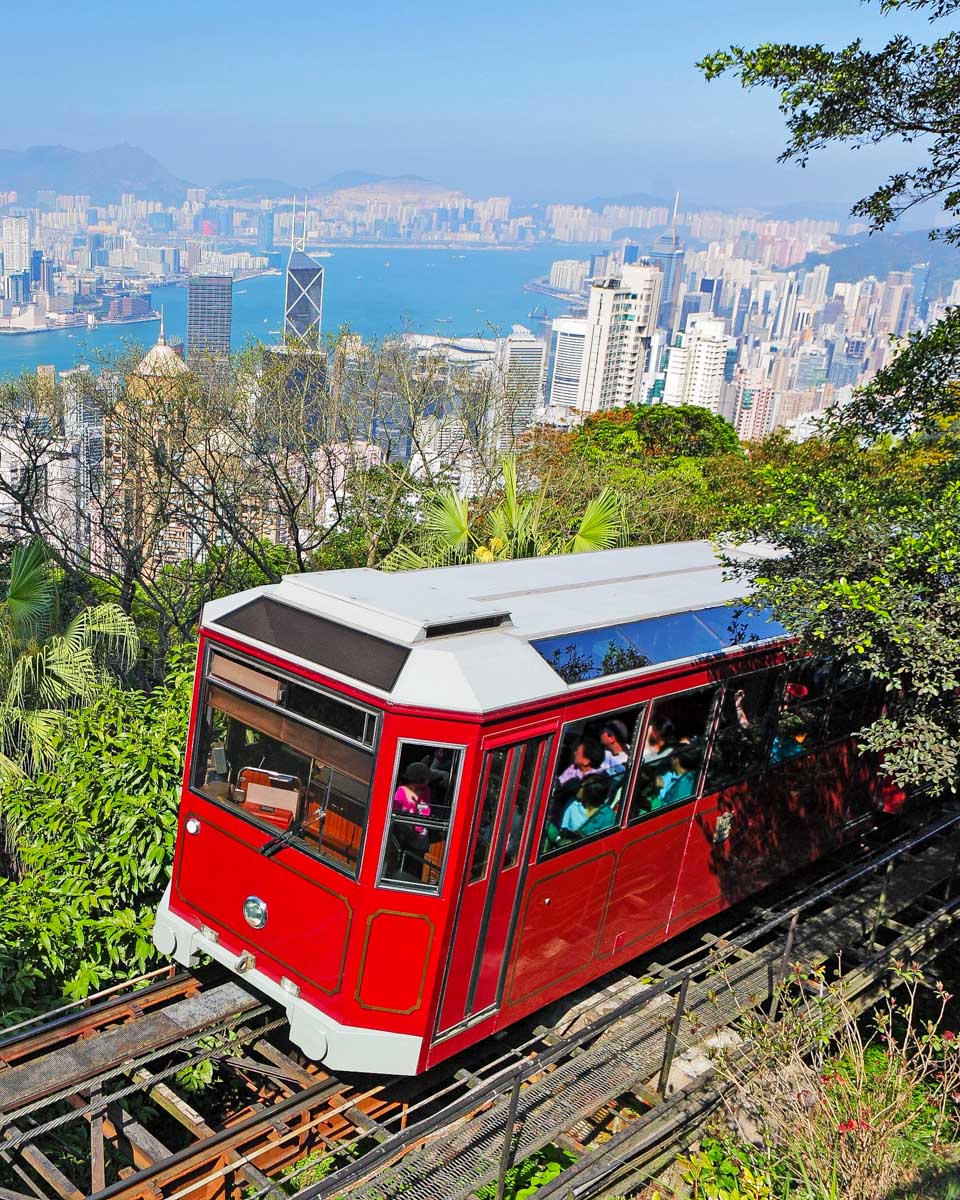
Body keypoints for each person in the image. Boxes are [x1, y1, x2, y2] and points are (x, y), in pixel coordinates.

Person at [392, 761, 432, 855]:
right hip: (402, 831)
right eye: (424, 780)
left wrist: (417, 830)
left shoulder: (426, 790)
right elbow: (395, 814)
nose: (426, 782)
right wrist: (404, 832)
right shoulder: (401, 791)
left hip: (417, 832)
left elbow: (425, 811)